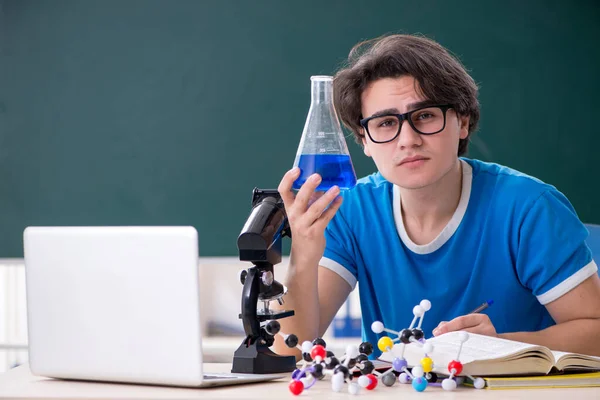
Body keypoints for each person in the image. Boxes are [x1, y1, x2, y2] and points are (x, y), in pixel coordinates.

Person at [274, 34, 600, 359]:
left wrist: (499, 344)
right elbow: (287, 351)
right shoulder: (350, 211)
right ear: (364, 141)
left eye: (425, 115)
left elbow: (595, 330)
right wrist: (304, 249)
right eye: (386, 123)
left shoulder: (529, 209)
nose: (408, 139)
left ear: (463, 121)